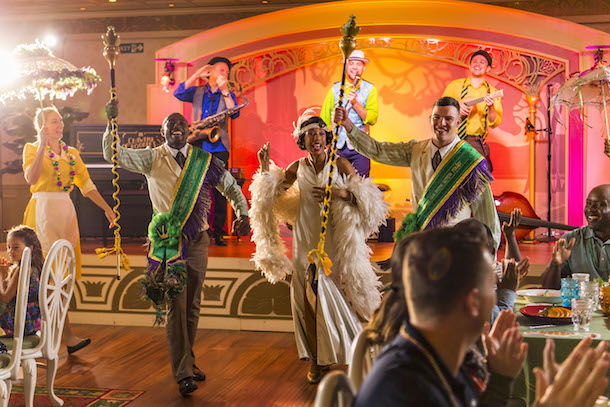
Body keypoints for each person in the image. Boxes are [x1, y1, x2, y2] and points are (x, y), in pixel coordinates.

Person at [354, 226, 610, 407]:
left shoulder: (437, 354)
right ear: (473, 302)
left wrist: (499, 378)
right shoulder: (407, 390)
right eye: (492, 286)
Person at [103, 100, 249, 397]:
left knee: (192, 305)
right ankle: (182, 372)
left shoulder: (203, 160)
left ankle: (188, 361)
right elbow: (112, 153)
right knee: (175, 304)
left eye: (181, 124)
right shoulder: (151, 158)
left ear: (189, 130)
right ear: (163, 132)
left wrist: (242, 214)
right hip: (168, 241)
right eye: (171, 125)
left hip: (199, 240)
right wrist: (111, 123)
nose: (177, 128)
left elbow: (231, 187)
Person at [249, 109, 388, 384]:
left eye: (320, 134)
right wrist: (264, 167)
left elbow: (368, 199)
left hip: (334, 241)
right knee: (308, 299)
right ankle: (315, 359)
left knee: (337, 296)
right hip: (305, 239)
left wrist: (340, 193)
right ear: (302, 140)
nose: (316, 138)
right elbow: (269, 194)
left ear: (327, 137)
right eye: (310, 134)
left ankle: (348, 353)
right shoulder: (297, 167)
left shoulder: (340, 164)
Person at [333, 96, 501, 249]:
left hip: (457, 247)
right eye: (436, 117)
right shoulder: (415, 150)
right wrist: (348, 125)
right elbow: (378, 151)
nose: (441, 123)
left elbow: (487, 215)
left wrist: (489, 257)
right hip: (422, 245)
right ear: (430, 119)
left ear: (458, 122)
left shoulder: (470, 160)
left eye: (448, 119)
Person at [22, 107, 116, 355]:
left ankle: (61, 337)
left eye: (60, 121)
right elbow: (31, 179)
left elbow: (86, 185)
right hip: (42, 213)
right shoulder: (32, 149)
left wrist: (107, 209)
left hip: (65, 214)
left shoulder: (71, 153)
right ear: (41, 126)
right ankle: (59, 336)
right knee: (46, 278)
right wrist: (41, 147)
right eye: (54, 121)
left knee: (62, 279)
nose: (60, 125)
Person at [173, 56, 239, 246]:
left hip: (219, 147)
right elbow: (178, 92)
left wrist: (225, 91)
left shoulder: (228, 94)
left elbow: (234, 112)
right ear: (210, 71)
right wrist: (196, 75)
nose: (224, 74)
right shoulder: (198, 91)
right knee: (196, 188)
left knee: (220, 189)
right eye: (221, 70)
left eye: (227, 72)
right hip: (197, 143)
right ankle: (197, 229)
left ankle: (218, 231)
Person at [442, 49, 503, 172]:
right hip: (451, 138)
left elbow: (493, 123)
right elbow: (440, 109)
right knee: (449, 177)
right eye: (474, 61)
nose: (477, 64)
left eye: (482, 62)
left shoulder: (492, 92)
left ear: (488, 69)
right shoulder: (454, 86)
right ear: (469, 66)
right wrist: (456, 104)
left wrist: (491, 106)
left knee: (478, 178)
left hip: (475, 142)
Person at [320, 50, 378, 177]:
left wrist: (355, 103)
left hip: (361, 148)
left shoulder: (370, 89)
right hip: (337, 147)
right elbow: (324, 119)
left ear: (363, 68)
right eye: (351, 63)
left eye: (359, 64)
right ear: (346, 66)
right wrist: (323, 145)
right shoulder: (335, 89)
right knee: (335, 183)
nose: (355, 67)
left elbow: (372, 119)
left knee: (360, 184)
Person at [541, 184, 610, 288]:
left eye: (600, 205)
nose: (590, 209)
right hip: (583, 299)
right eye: (588, 203)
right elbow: (548, 288)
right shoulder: (571, 239)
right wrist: (556, 264)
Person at [0, 225, 43, 337]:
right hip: (32, 323)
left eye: (16, 247)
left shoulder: (22, 269)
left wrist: (2, 275)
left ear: (30, 248)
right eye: (8, 247)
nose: (10, 251)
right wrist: (6, 274)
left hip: (17, 323)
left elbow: (5, 298)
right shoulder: (35, 267)